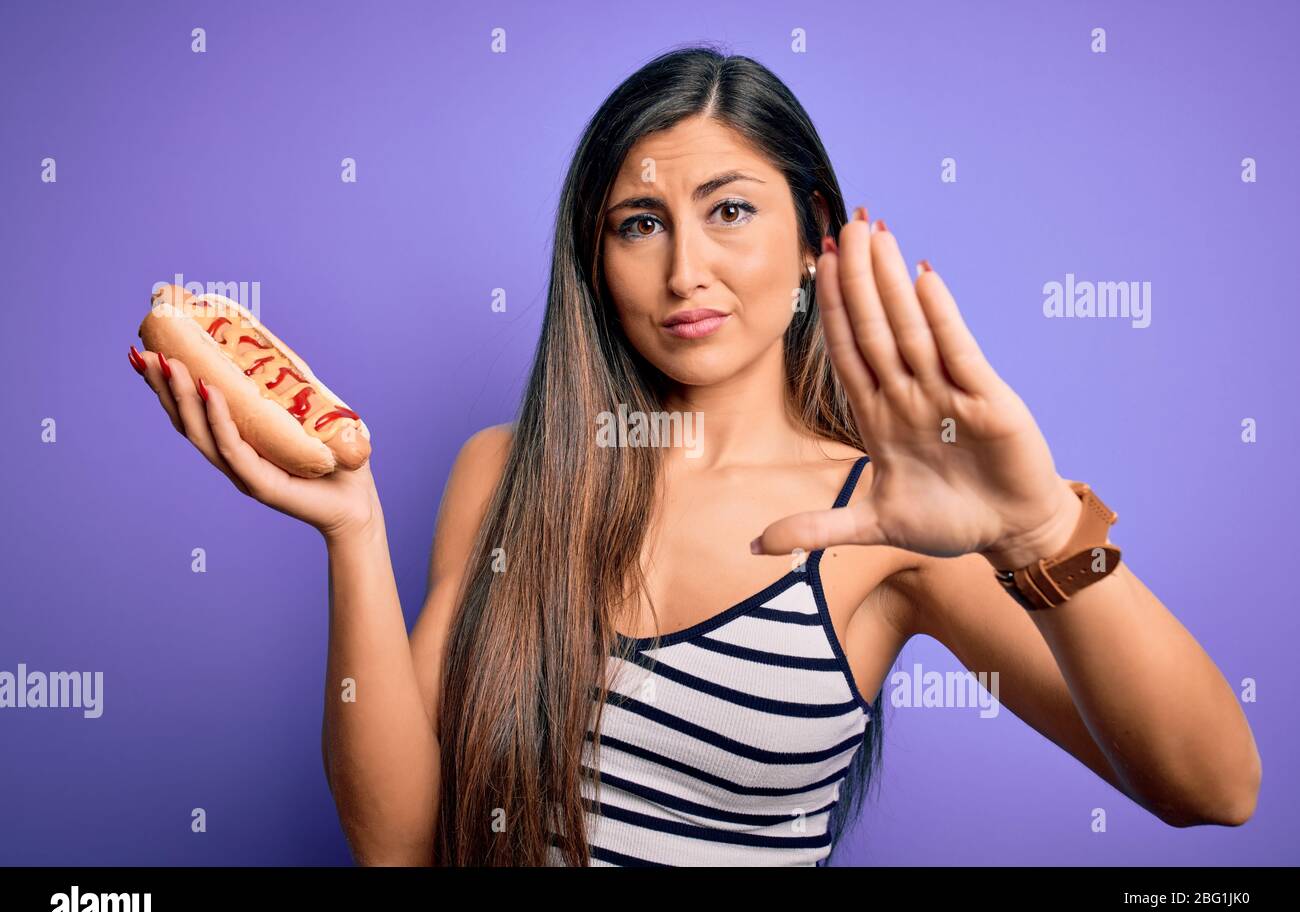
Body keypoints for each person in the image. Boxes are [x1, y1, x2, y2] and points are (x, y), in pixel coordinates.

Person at [127, 45, 1260, 867]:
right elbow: (395, 840)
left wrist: (1037, 532)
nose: (683, 273)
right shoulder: (501, 471)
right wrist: (352, 528)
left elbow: (1212, 787)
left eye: (729, 211)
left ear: (816, 239)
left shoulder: (895, 519)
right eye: (638, 222)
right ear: (595, 256)